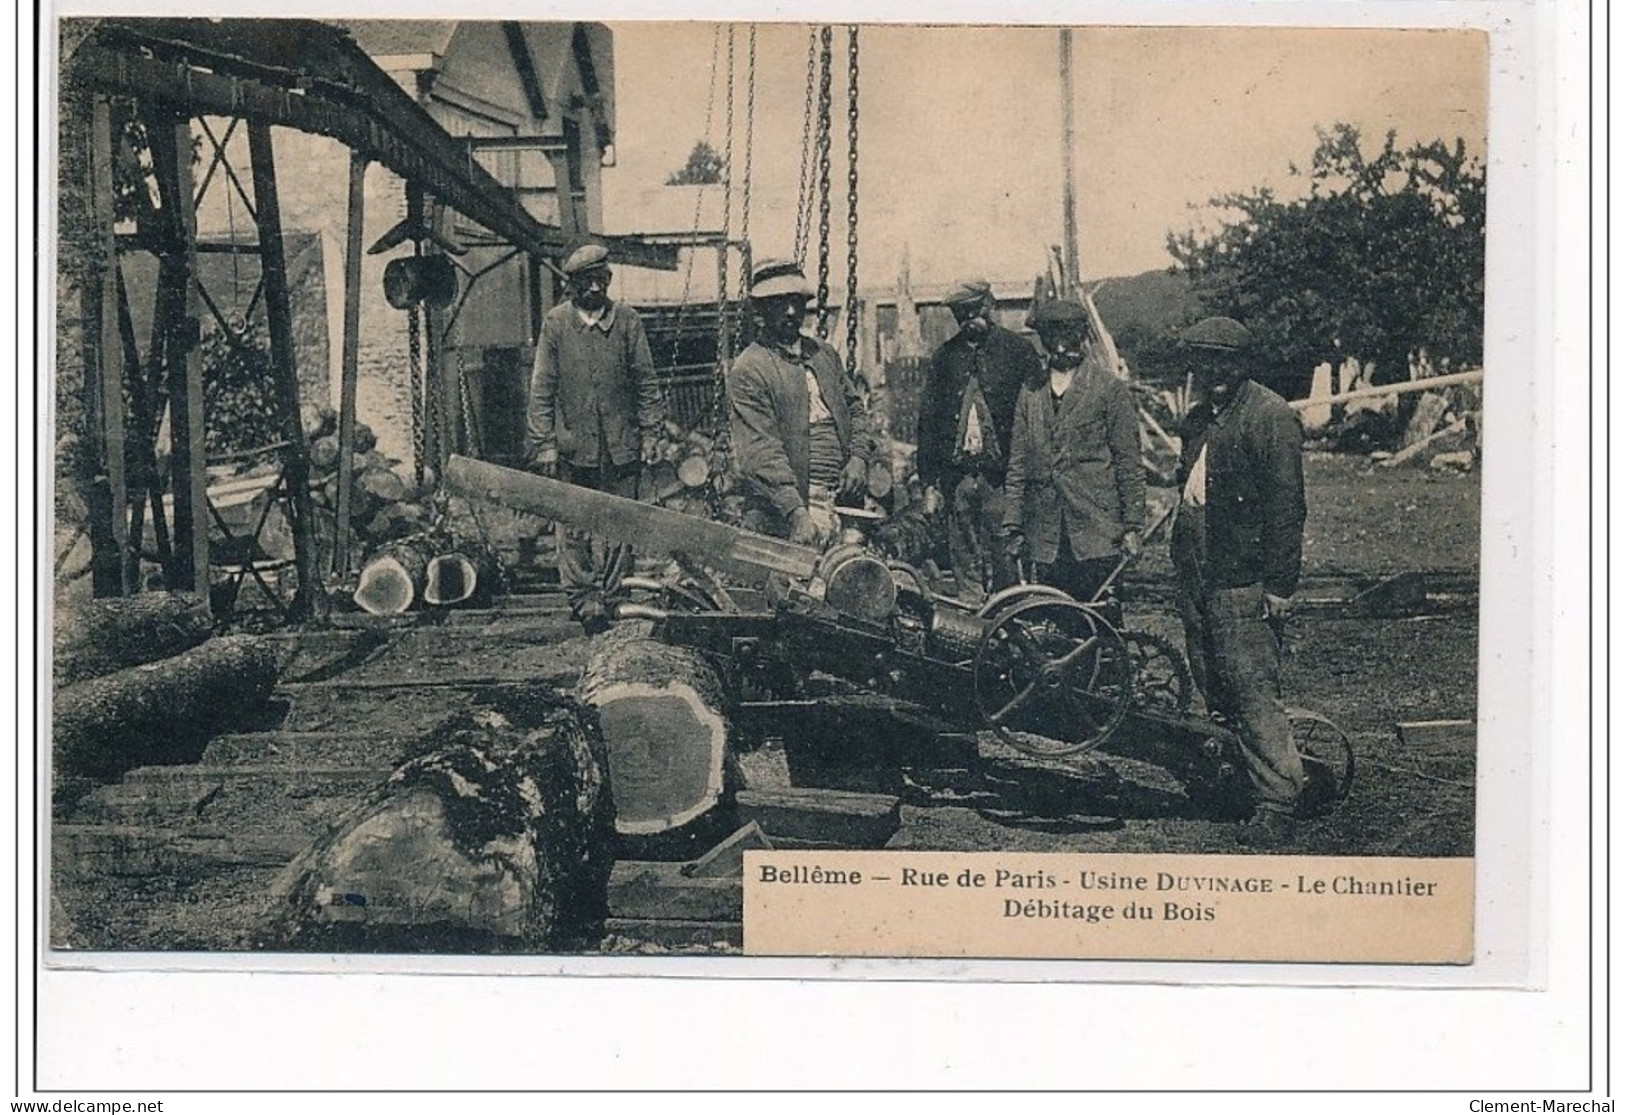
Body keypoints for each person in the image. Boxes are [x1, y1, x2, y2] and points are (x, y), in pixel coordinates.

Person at [1170, 316, 1309, 845]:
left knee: (1251, 689)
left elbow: (1287, 508)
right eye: (1205, 362)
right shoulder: (1199, 418)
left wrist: (1279, 586)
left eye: (1225, 362)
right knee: (1212, 680)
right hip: (1198, 571)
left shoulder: (1271, 417)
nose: (1215, 373)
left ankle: (1278, 801)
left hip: (1242, 576)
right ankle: (1240, 783)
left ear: (1242, 364)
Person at [525, 243, 664, 634]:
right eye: (583, 282)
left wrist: (651, 431)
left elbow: (645, 380)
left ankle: (616, 596)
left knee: (621, 522)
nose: (592, 289)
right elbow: (542, 388)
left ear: (608, 280)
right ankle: (584, 598)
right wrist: (545, 442)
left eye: (599, 280)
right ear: (571, 286)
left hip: (620, 443)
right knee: (572, 524)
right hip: (573, 445)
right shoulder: (556, 324)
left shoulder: (627, 321)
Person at [1000, 298, 1146, 615]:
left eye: (1069, 339)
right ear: (1044, 341)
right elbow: (1017, 465)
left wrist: (1133, 526)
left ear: (1082, 337)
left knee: (1100, 622)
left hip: (1095, 530)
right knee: (1056, 622)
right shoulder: (1031, 391)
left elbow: (1129, 464)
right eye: (1054, 340)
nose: (1062, 348)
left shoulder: (1109, 389)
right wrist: (1013, 524)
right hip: (1046, 532)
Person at [727, 258, 878, 548]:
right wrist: (796, 513)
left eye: (797, 301)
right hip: (793, 505)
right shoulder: (750, 368)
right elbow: (760, 449)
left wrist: (858, 458)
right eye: (779, 303)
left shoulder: (823, 354)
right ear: (761, 310)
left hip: (844, 499)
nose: (791, 311)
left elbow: (855, 409)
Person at [916, 279, 1045, 600]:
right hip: (957, 477)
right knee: (963, 554)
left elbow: (1037, 419)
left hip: (1002, 478)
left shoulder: (1018, 351)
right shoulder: (944, 358)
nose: (968, 319)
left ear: (989, 305)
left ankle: (1011, 619)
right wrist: (930, 481)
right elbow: (928, 422)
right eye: (960, 314)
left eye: (973, 310)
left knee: (1007, 553)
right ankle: (970, 618)